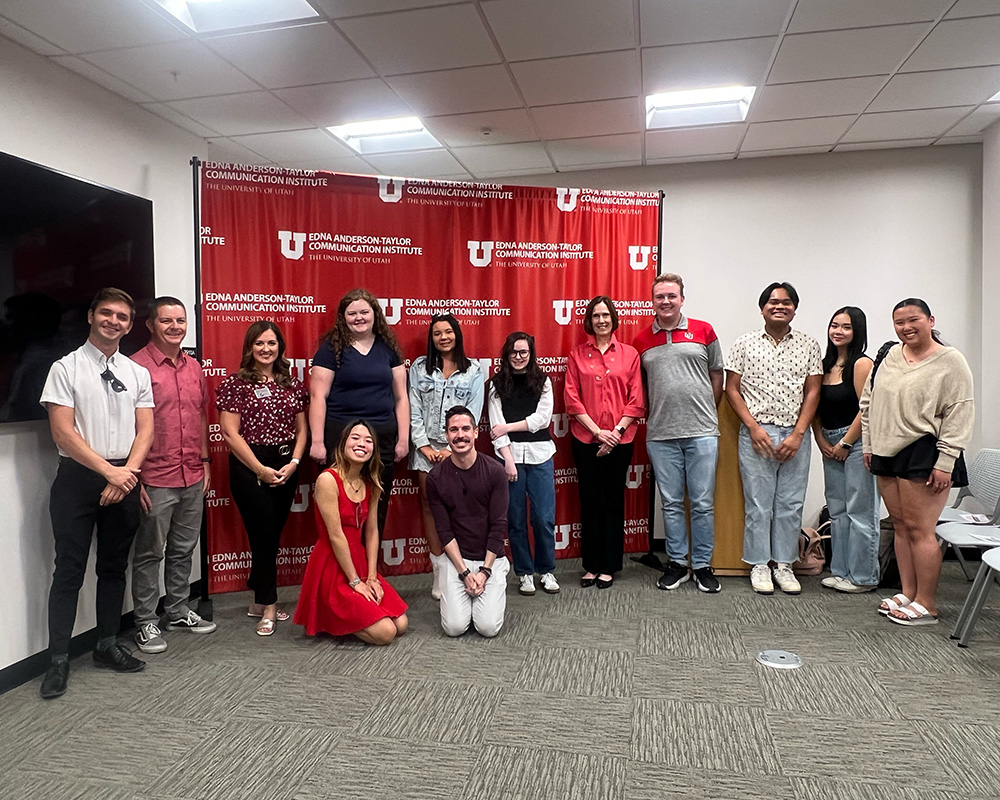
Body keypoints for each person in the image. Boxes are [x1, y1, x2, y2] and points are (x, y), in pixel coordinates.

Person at [38, 288, 154, 699]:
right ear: (91, 316)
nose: (114, 321)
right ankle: (58, 660)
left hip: (126, 473)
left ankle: (106, 645)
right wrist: (110, 473)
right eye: (106, 313)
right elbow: (62, 433)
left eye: (123, 316)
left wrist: (127, 474)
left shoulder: (137, 372)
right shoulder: (64, 368)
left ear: (129, 324)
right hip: (78, 479)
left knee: (113, 566)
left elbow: (146, 429)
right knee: (68, 571)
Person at [861, 298, 974, 626]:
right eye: (899, 322)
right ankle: (908, 592)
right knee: (899, 525)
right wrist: (869, 445)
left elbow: (960, 411)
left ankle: (927, 603)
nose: (906, 327)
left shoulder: (950, 361)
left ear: (930, 320)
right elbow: (869, 402)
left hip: (925, 452)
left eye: (914, 320)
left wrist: (946, 461)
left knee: (920, 529)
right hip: (885, 450)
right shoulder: (890, 355)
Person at [129, 297, 217, 654]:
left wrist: (206, 461)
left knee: (183, 548)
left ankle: (177, 610)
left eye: (180, 320)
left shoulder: (194, 367)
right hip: (154, 476)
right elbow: (128, 427)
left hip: (192, 473)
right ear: (150, 324)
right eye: (166, 321)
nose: (175, 327)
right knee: (151, 552)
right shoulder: (134, 367)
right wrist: (134, 476)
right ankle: (146, 621)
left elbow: (200, 415)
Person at [725, 282, 822, 595]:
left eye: (786, 302)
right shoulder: (744, 343)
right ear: (762, 307)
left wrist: (798, 434)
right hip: (758, 433)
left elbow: (813, 391)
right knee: (758, 504)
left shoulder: (809, 345)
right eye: (773, 301)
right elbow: (732, 388)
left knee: (790, 504)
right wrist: (753, 427)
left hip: (796, 434)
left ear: (795, 307)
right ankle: (759, 564)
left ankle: (784, 564)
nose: (779, 306)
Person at [633, 274, 725, 594]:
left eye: (672, 296)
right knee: (671, 503)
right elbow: (640, 386)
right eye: (660, 297)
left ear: (682, 299)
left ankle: (702, 566)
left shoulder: (704, 330)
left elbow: (717, 374)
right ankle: (676, 563)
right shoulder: (641, 340)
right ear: (653, 302)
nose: (666, 301)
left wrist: (708, 411)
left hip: (701, 432)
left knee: (701, 503)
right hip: (660, 433)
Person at [217, 321, 308, 636]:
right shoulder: (235, 384)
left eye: (271, 343)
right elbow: (229, 433)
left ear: (280, 347)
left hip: (285, 464)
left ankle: (257, 597)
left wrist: (295, 462)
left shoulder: (292, 384)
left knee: (269, 536)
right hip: (249, 465)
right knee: (265, 534)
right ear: (249, 347)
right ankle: (268, 604)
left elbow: (303, 429)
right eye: (259, 344)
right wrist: (258, 468)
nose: (266, 349)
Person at [294, 421, 409, 644]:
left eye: (368, 441)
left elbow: (372, 531)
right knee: (386, 634)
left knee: (401, 624)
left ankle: (351, 617)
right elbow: (336, 535)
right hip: (333, 563)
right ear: (343, 444)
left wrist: (372, 576)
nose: (361, 444)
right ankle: (329, 616)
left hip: (360, 561)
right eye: (355, 438)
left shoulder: (371, 482)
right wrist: (356, 582)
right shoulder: (328, 479)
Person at [308, 289, 409, 536]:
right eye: (352, 313)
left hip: (381, 438)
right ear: (343, 317)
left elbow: (401, 397)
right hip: (340, 438)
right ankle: (343, 571)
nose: (359, 318)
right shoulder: (331, 348)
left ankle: (370, 570)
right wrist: (318, 442)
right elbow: (317, 397)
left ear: (375, 314)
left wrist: (404, 439)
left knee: (377, 507)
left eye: (364, 312)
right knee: (339, 507)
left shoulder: (388, 347)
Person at [565, 296, 644, 589]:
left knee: (612, 501)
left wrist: (615, 434)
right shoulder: (576, 355)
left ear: (613, 319)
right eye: (596, 316)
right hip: (586, 439)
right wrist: (599, 432)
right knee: (589, 501)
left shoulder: (629, 355)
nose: (601, 320)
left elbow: (636, 401)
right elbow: (572, 401)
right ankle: (591, 564)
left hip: (621, 441)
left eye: (606, 315)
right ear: (590, 320)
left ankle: (609, 564)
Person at [409, 313, 484, 599]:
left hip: (460, 448)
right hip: (425, 449)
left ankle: (461, 567)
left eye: (448, 332)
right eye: (437, 333)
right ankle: (439, 570)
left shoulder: (474, 370)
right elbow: (413, 409)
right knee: (429, 505)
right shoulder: (419, 368)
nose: (443, 337)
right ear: (432, 338)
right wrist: (424, 446)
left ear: (457, 335)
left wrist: (451, 448)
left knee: (461, 508)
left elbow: (473, 414)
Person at [811, 306, 879, 593]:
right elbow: (813, 406)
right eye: (834, 325)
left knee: (860, 511)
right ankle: (840, 571)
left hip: (856, 442)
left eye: (846, 327)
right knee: (837, 511)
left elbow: (867, 410)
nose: (838, 331)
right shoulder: (825, 364)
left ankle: (863, 577)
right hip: (829, 442)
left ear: (857, 331)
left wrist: (846, 443)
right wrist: (821, 440)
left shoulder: (863, 363)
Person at [427, 406, 510, 637]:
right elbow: (444, 531)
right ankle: (465, 592)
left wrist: (484, 571)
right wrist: (464, 573)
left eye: (465, 429)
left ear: (476, 433)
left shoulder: (495, 471)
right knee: (454, 628)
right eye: (453, 430)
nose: (460, 435)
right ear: (446, 436)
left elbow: (498, 527)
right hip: (456, 560)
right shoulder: (436, 478)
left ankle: (491, 587)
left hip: (490, 559)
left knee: (487, 628)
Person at [488, 332, 559, 596]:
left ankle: (547, 570)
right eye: (513, 353)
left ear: (531, 354)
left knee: (543, 519)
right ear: (506, 355)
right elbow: (496, 429)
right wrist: (507, 460)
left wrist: (508, 425)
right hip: (509, 458)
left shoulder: (543, 381)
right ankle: (525, 573)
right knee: (515, 520)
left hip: (541, 455)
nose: (518, 357)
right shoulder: (496, 384)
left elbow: (542, 420)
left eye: (523, 352)